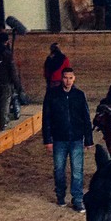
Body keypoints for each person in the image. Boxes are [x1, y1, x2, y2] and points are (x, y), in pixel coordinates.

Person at [43, 67, 93, 212]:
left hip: (76, 138)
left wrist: (88, 139)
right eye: (65, 77)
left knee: (77, 170)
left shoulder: (79, 95)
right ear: (61, 78)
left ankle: (77, 199)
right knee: (59, 169)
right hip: (59, 138)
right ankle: (60, 195)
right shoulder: (52, 95)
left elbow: (86, 117)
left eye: (70, 78)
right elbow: (46, 118)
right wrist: (48, 139)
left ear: (74, 78)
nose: (68, 81)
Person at [0, 32, 21, 132]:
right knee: (5, 103)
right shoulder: (7, 53)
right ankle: (3, 123)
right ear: (7, 41)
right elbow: (12, 70)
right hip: (6, 81)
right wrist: (17, 83)